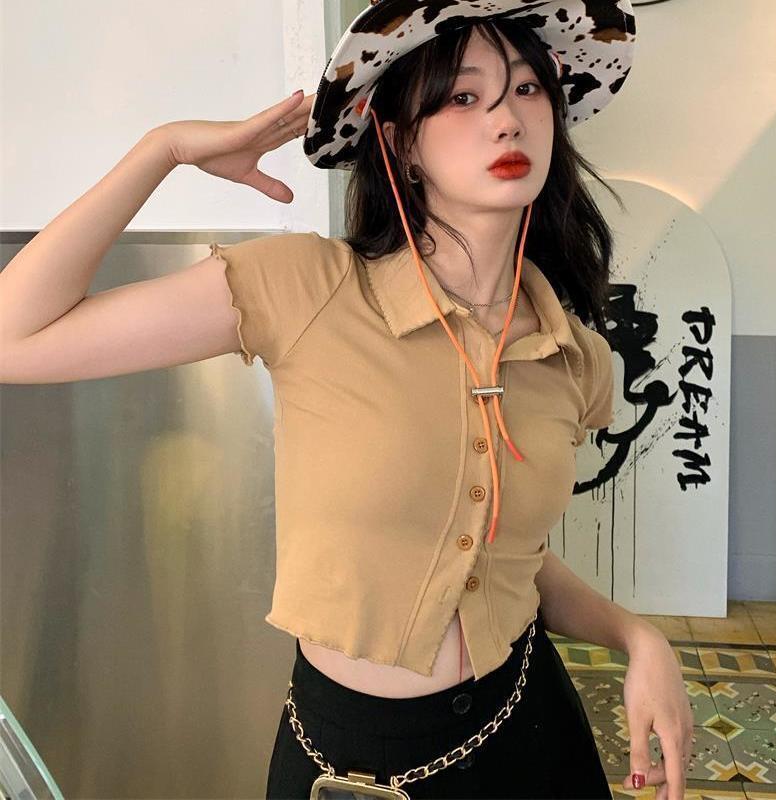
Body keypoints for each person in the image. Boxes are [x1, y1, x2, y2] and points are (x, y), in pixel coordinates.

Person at [0, 1, 693, 798]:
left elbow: (513, 558)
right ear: (400, 143)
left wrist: (637, 636)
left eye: (528, 89)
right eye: (464, 96)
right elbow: (14, 339)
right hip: (340, 759)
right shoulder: (309, 288)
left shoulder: (574, 355)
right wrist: (166, 149)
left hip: (527, 737)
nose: (507, 119)